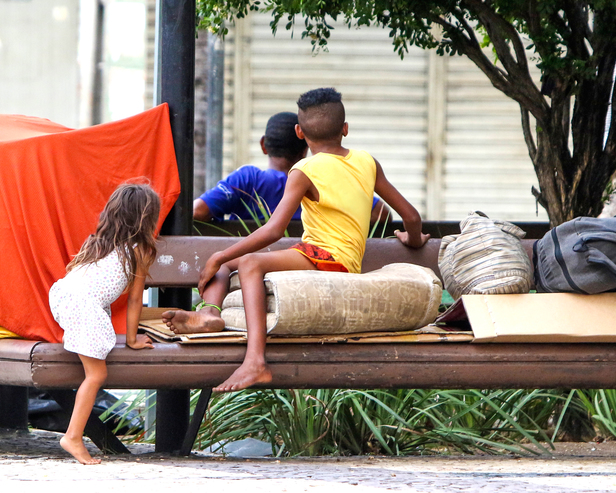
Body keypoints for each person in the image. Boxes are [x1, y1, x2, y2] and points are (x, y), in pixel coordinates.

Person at [162, 87, 429, 392]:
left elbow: (274, 230)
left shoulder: (303, 170)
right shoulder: (367, 162)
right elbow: (411, 216)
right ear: (345, 129)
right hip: (325, 256)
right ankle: (209, 314)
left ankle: (255, 363)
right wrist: (414, 239)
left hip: (326, 259)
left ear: (300, 132)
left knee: (246, 262)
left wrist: (217, 256)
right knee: (230, 260)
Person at [49, 183, 160, 465]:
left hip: (62, 295)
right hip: (84, 305)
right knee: (96, 375)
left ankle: (74, 435)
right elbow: (136, 300)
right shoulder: (140, 249)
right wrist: (133, 340)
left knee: (94, 358)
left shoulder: (97, 242)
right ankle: (72, 437)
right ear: (147, 218)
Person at [193, 111, 389, 225]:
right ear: (306, 150)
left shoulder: (247, 180)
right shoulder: (321, 181)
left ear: (263, 145)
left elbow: (198, 211)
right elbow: (382, 213)